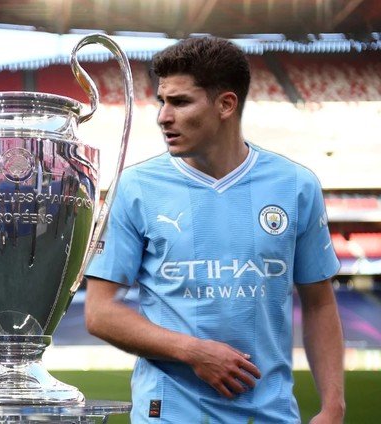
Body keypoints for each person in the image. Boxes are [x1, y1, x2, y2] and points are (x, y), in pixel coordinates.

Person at [84, 37, 345, 423]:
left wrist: (334, 406)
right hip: (169, 413)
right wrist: (192, 351)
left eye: (181, 102)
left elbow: (319, 302)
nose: (163, 117)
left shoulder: (295, 185)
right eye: (162, 102)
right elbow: (100, 312)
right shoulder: (136, 187)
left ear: (225, 104)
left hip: (270, 414)